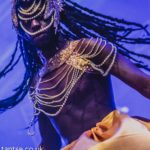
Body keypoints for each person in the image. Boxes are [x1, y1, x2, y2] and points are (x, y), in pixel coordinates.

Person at [0, 0, 150, 149]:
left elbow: (145, 85)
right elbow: (50, 143)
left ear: (56, 10)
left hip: (117, 140)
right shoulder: (36, 84)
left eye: (40, 15)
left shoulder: (88, 49)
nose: (34, 24)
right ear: (20, 29)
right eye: (27, 21)